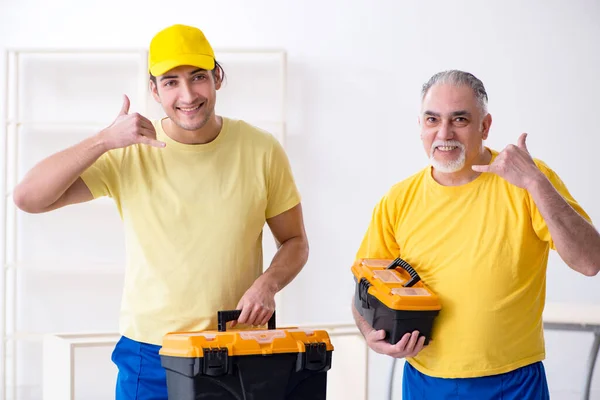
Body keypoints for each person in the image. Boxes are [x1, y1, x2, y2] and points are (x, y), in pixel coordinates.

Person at [13, 24, 309, 399]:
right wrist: (104, 139)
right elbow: (28, 197)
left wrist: (268, 285)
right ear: (154, 90)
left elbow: (295, 240)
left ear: (217, 77)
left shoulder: (262, 149)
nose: (187, 95)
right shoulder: (129, 151)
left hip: (236, 348)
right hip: (151, 353)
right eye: (170, 82)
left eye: (198, 77)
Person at [352, 70, 600, 399]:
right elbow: (362, 289)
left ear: (484, 126)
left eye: (459, 119)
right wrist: (369, 333)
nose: (444, 133)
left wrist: (537, 184)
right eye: (432, 119)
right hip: (425, 380)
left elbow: (590, 261)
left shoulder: (526, 181)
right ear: (420, 126)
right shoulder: (398, 200)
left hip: (514, 383)